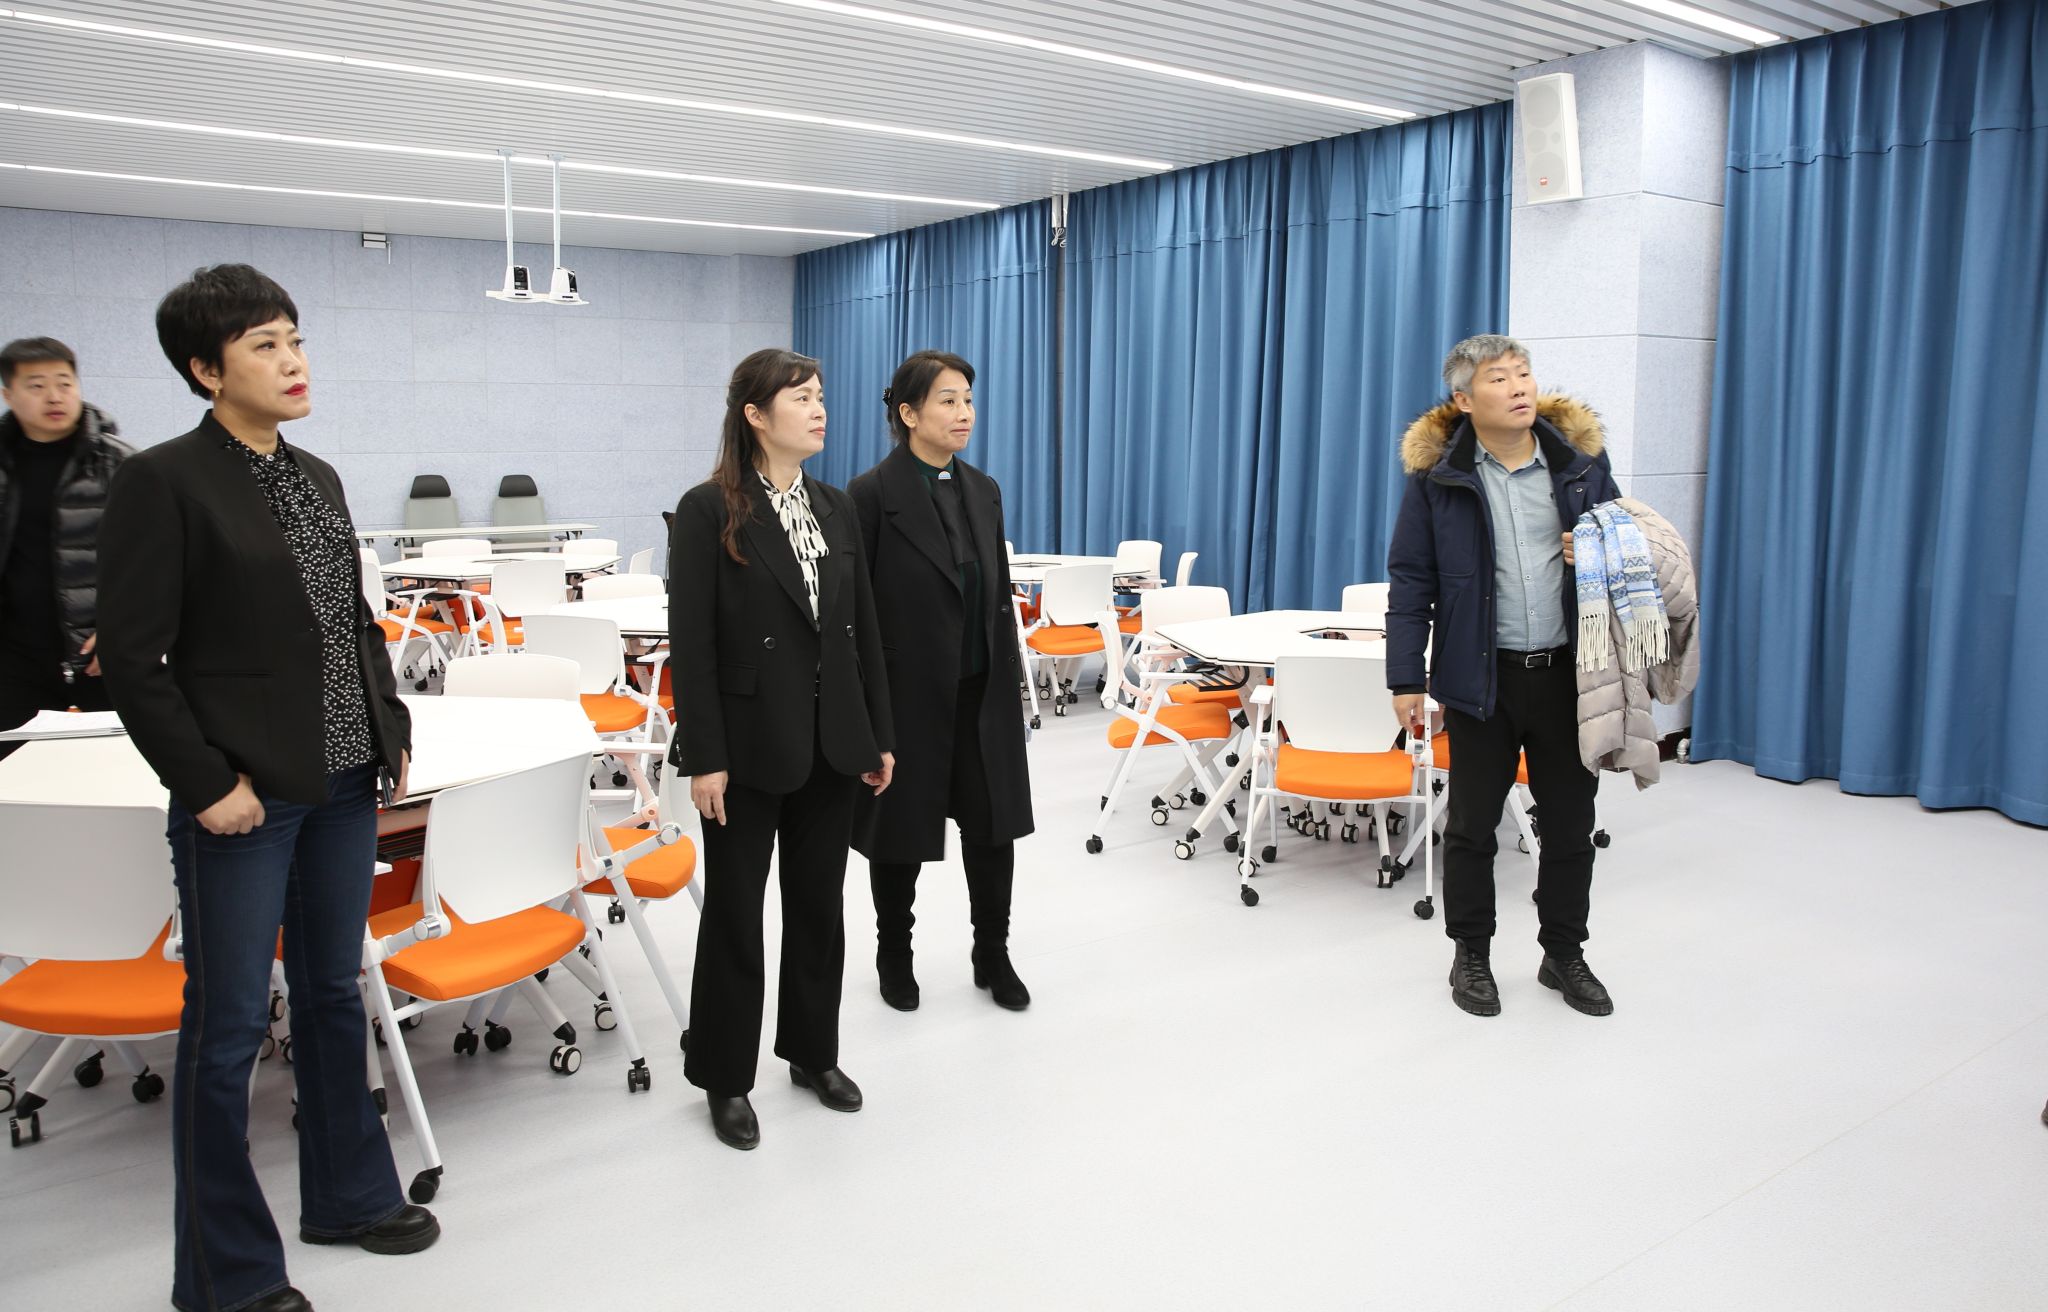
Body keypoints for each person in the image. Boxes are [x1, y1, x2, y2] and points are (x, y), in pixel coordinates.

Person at [97, 264, 437, 1312]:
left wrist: (389, 726)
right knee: (231, 1025)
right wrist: (205, 783)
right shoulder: (163, 481)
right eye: (263, 346)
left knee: (333, 992)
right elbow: (132, 660)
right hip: (243, 794)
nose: (293, 362)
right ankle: (224, 1273)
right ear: (207, 371)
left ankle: (348, 1197)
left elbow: (350, 623)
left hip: (342, 781)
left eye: (295, 339)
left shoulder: (318, 475)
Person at [668, 347, 895, 1151]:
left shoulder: (835, 507)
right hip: (745, 746)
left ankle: (812, 1053)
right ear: (756, 416)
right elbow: (692, 642)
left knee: (819, 908)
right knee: (735, 916)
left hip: (832, 743)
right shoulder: (709, 509)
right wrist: (705, 755)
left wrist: (877, 735)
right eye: (800, 397)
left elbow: (861, 630)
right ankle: (724, 1076)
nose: (819, 408)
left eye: (821, 395)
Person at [1385, 334, 1623, 1020]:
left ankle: (1564, 953)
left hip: (1567, 676)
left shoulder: (1581, 465)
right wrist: (1406, 679)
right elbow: (1412, 581)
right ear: (1464, 400)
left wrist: (1595, 552)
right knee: (1472, 827)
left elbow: (1627, 546)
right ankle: (1472, 954)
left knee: (1571, 827)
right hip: (1480, 680)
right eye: (1498, 378)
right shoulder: (1439, 479)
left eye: (1524, 374)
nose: (1519, 387)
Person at [848, 350, 1034, 1013]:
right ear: (909, 413)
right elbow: (857, 610)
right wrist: (866, 714)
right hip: (908, 697)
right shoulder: (871, 494)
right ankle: (894, 954)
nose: (965, 414)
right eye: (948, 401)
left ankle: (993, 954)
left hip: (981, 692)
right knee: (899, 836)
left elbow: (995, 594)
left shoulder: (983, 488)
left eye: (968, 400)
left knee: (993, 829)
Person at [0, 336, 131, 757]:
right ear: (8, 394)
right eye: (37, 386)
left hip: (100, 655)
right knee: (13, 774)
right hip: (14, 657)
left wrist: (122, 629)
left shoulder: (121, 465)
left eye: (64, 383)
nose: (54, 396)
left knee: (115, 767)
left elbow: (159, 563)